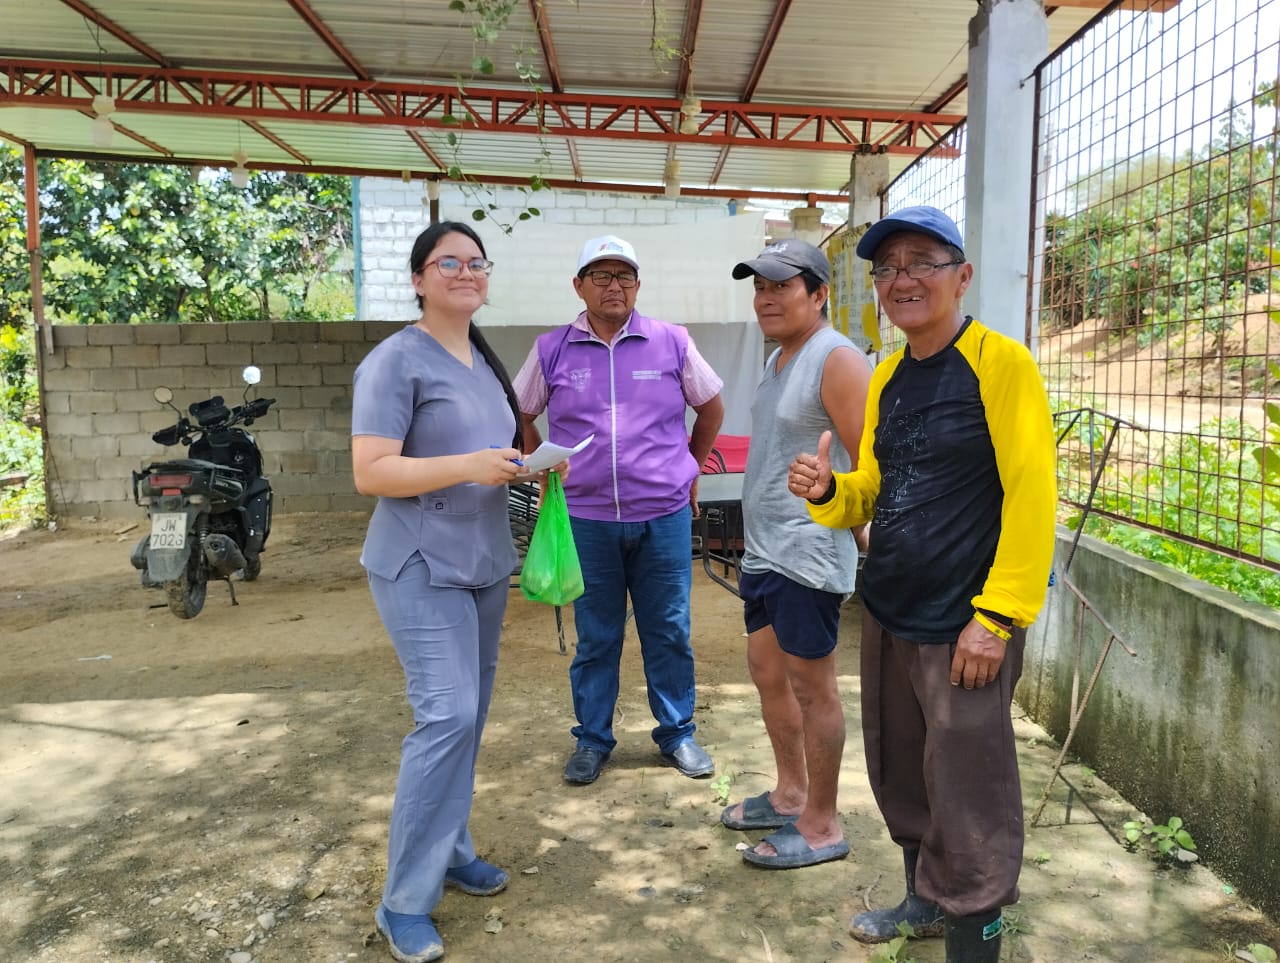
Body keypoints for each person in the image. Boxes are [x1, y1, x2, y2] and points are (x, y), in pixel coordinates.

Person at [788, 206, 1057, 962]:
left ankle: (976, 935)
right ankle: (925, 901)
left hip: (965, 625)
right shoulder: (888, 376)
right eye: (888, 268)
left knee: (970, 790)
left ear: (961, 276)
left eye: (922, 263)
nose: (902, 279)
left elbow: (1032, 495)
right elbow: (876, 489)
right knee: (902, 769)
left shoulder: (1001, 365)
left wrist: (997, 616)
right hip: (891, 608)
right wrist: (829, 491)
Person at [352, 222, 530, 963]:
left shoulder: (483, 361)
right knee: (447, 715)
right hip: (420, 562)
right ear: (419, 279)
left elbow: (491, 455)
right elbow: (371, 471)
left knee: (470, 716)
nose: (465, 271)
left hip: (483, 559)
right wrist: (468, 465)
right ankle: (403, 901)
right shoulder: (394, 362)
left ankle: (450, 848)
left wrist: (528, 465)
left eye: (476, 262)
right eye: (447, 262)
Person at [513, 234, 725, 786]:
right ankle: (592, 740)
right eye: (601, 275)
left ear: (637, 284)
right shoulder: (551, 349)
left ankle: (677, 733)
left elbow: (710, 408)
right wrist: (542, 466)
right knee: (597, 636)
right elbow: (521, 411)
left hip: (663, 516)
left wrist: (690, 466)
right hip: (586, 519)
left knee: (669, 629)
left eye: (624, 275)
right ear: (579, 286)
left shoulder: (672, 341)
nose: (614, 286)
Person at [719, 239, 871, 870]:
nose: (766, 298)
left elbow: (871, 468)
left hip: (807, 553)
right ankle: (790, 794)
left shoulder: (837, 360)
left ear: (819, 294)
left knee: (814, 689)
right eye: (759, 287)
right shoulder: (781, 358)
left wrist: (867, 541)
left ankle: (822, 824)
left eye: (781, 286)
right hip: (765, 551)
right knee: (766, 673)